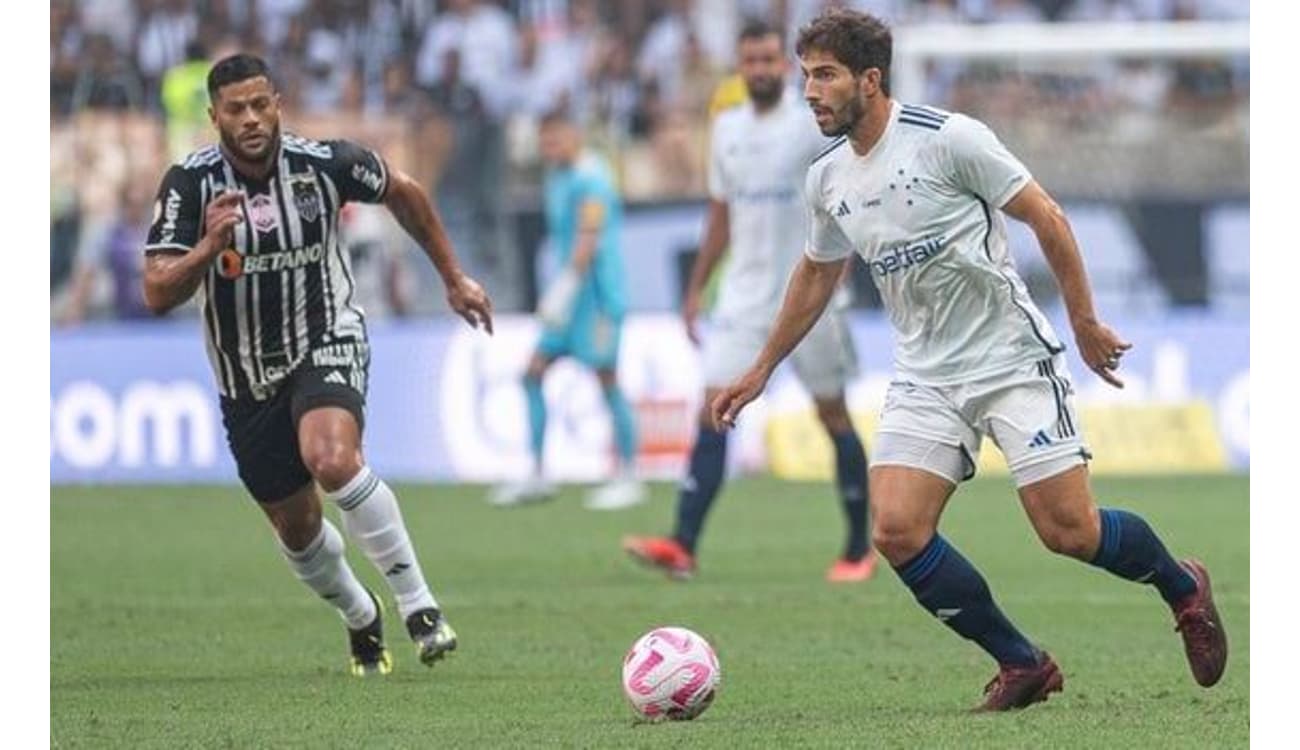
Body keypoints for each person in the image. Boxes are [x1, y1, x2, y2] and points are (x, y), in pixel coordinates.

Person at [709, 9, 1228, 711]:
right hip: (926, 372)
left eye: (824, 75)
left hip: (1009, 358)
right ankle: (1022, 663)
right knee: (896, 531)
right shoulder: (826, 178)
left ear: (870, 79)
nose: (810, 91)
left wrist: (1083, 323)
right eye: (806, 76)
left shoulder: (950, 139)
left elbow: (1047, 216)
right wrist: (761, 368)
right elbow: (815, 273)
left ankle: (1181, 586)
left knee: (1068, 532)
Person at [141, 54, 494, 677]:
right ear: (214, 116)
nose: (250, 119)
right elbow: (156, 290)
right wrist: (208, 248)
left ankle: (421, 607)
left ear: (277, 102)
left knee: (332, 459)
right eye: (235, 110)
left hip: (325, 336)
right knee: (298, 533)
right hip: (245, 378)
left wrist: (453, 277)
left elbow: (404, 192)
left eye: (260, 104)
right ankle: (361, 613)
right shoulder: (190, 185)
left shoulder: (325, 164)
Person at [622, 19, 875, 583]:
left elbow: (847, 199)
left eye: (768, 60)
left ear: (782, 67)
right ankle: (682, 544)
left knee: (831, 414)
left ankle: (860, 546)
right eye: (750, 62)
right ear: (739, 68)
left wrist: (840, 275)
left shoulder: (809, 125)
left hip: (810, 295)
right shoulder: (728, 127)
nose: (760, 70)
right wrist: (695, 289)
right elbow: (721, 214)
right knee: (712, 406)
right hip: (742, 296)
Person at [488, 110, 643, 511]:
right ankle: (537, 472)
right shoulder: (555, 178)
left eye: (556, 139)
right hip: (569, 301)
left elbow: (587, 241)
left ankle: (629, 474)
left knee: (607, 378)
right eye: (545, 142)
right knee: (532, 373)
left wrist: (562, 290)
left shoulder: (593, 178)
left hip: (596, 298)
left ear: (575, 136)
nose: (550, 148)